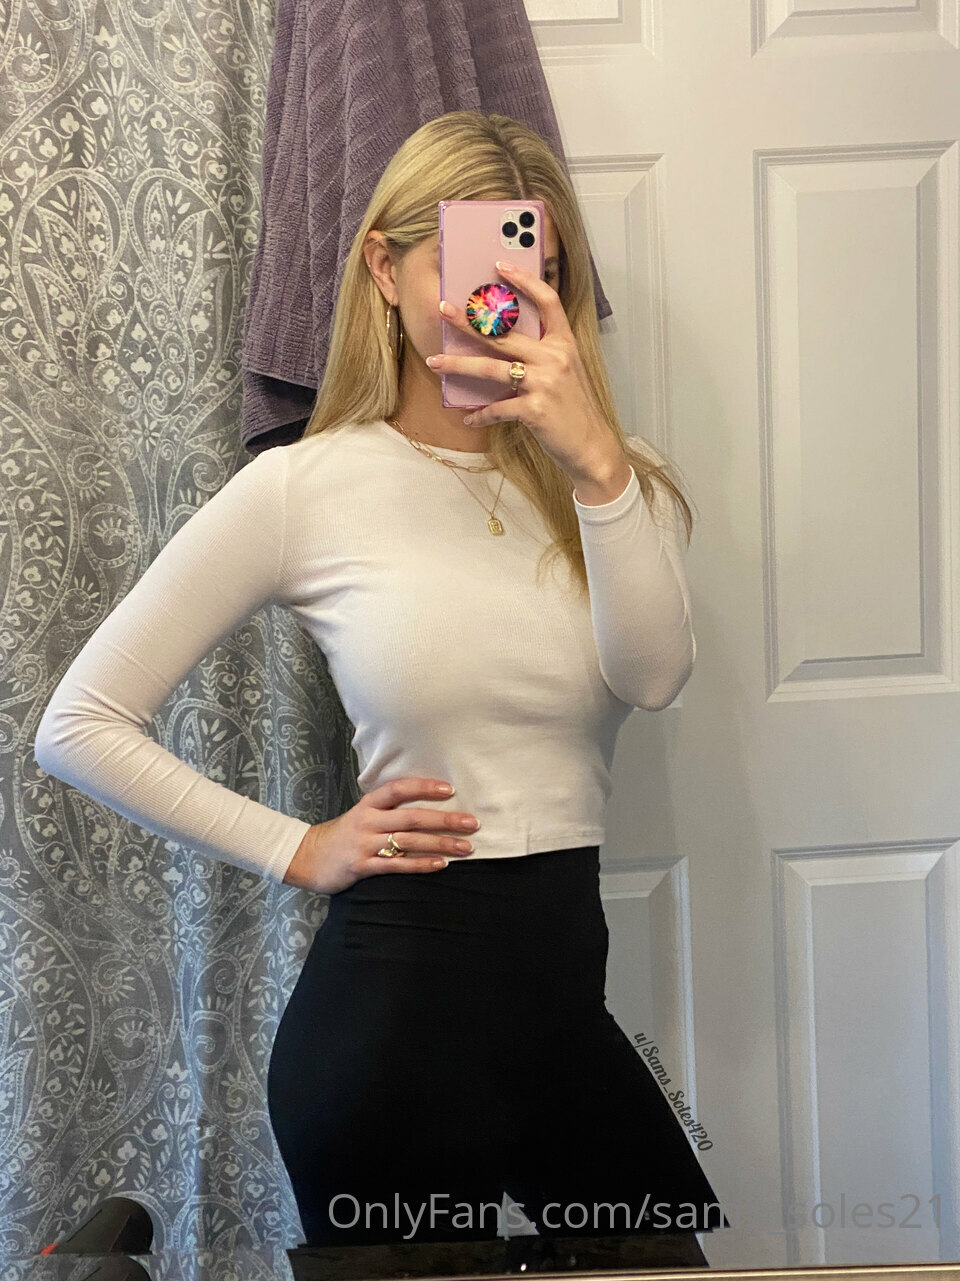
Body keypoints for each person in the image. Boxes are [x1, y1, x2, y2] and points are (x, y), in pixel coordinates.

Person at [34, 110, 726, 1260]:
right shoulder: (306, 489)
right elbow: (79, 724)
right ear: (385, 268)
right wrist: (298, 847)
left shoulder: (612, 484)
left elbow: (654, 679)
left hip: (565, 1013)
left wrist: (597, 462)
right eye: (467, 266)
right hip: (390, 1028)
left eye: (534, 273)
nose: (496, 301)